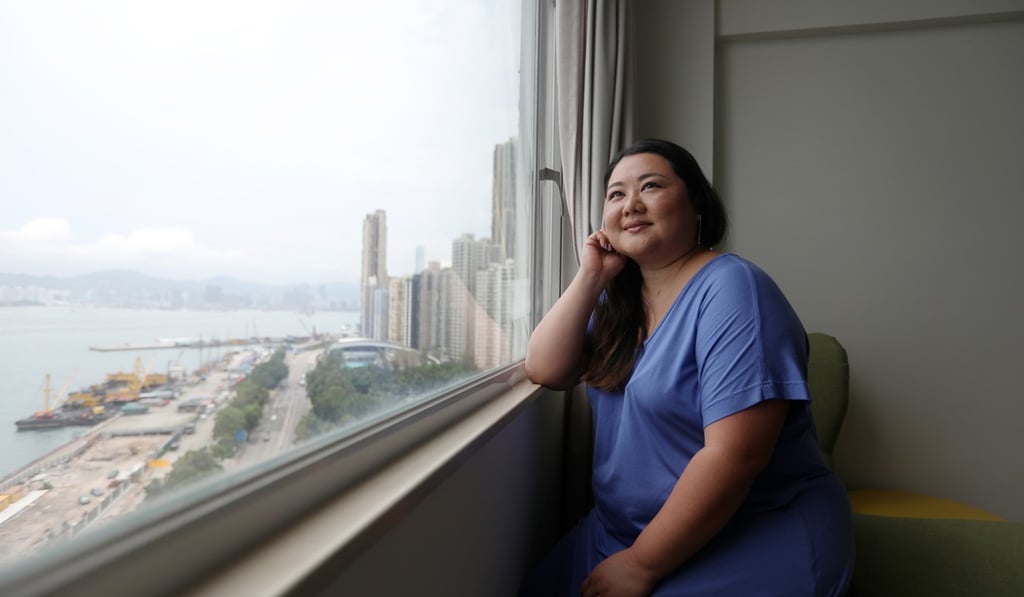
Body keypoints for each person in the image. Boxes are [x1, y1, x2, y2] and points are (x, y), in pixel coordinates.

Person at [521, 139, 854, 596]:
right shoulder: (618, 301)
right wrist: (592, 275)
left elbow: (736, 456)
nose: (630, 204)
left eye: (651, 186)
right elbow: (544, 368)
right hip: (621, 533)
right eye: (616, 195)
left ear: (697, 203)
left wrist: (642, 565)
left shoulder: (734, 289)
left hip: (749, 530)